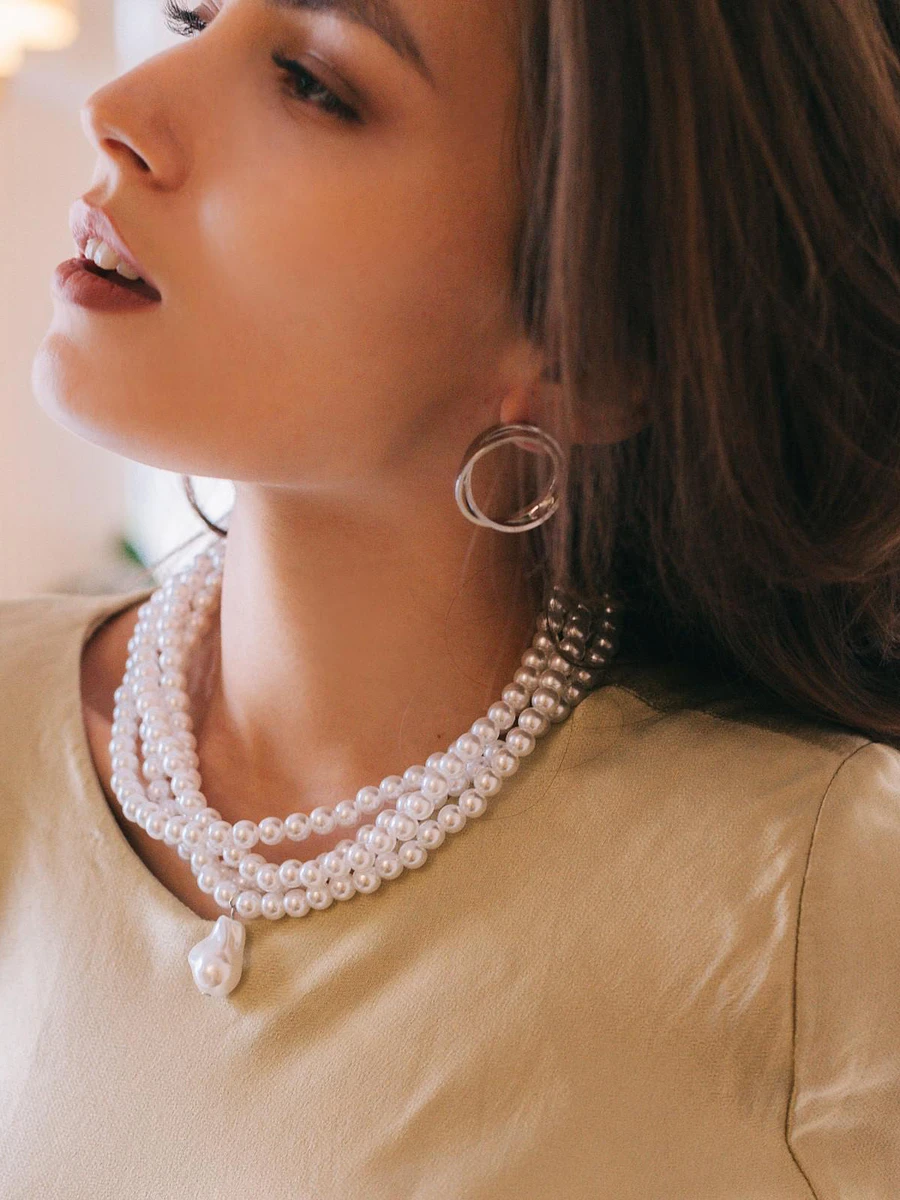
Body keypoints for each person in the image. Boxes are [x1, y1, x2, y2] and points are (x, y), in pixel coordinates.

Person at [2, 0, 899, 1194]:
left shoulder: (819, 903)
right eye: (191, 12)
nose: (120, 112)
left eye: (313, 83)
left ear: (589, 352)